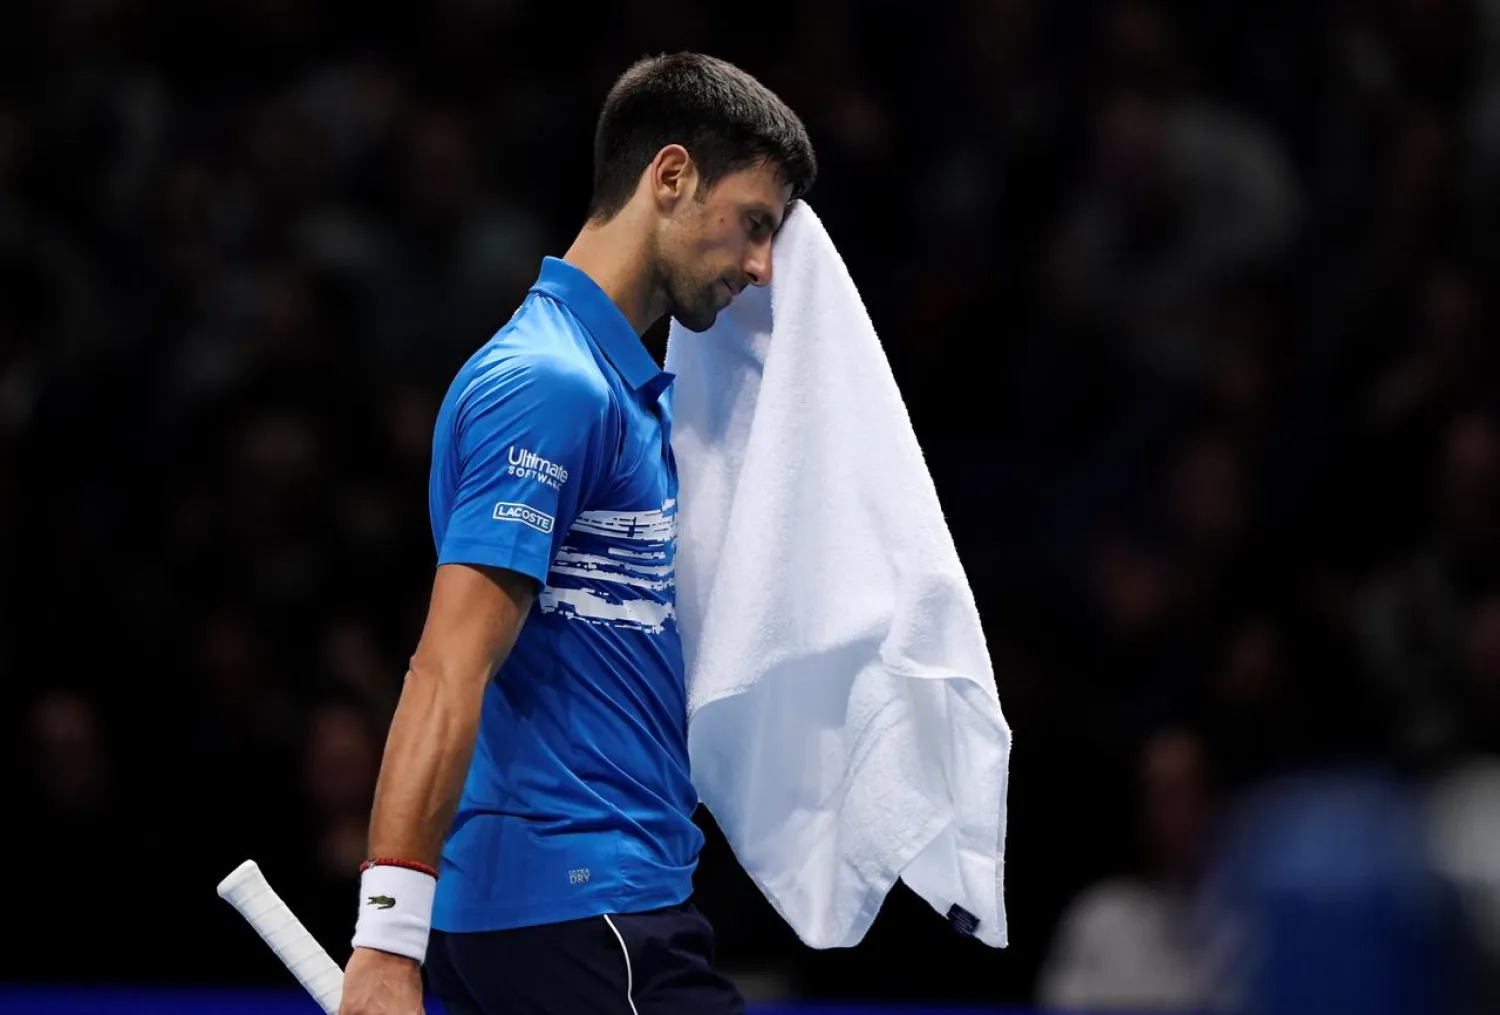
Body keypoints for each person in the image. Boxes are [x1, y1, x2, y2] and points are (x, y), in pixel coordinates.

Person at [336, 52, 817, 1015]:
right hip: (582, 919)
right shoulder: (550, 385)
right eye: (755, 224)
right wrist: (387, 939)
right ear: (670, 177)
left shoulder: (619, 395)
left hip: (579, 915)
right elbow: (447, 667)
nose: (763, 269)